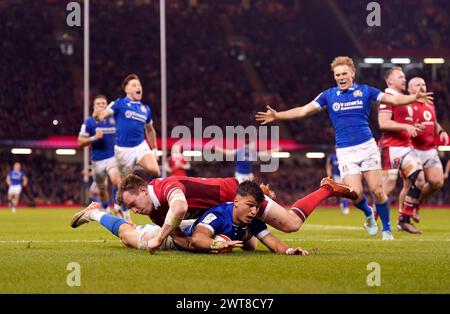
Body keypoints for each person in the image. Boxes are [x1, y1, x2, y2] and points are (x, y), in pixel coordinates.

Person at [256, 56, 433, 240]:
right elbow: (303, 110)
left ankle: (387, 229)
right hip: (345, 151)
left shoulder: (366, 91)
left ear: (352, 73)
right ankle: (368, 213)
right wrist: (278, 115)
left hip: (367, 147)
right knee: (354, 193)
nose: (340, 77)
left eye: (344, 73)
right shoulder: (328, 95)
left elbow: (393, 101)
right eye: (337, 74)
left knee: (377, 190)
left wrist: (414, 97)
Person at [71, 174, 356, 252]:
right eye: (131, 208)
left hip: (236, 198)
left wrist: (159, 240)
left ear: (145, 190)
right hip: (221, 213)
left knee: (292, 224)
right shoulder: (153, 212)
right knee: (250, 245)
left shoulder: (165, 187)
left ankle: (327, 189)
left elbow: (180, 206)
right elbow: (184, 232)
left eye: (135, 204)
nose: (135, 210)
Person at [378, 69, 426, 234]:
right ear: (390, 81)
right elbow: (383, 123)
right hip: (390, 147)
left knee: (420, 180)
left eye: (405, 76)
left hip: (406, 147)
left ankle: (404, 220)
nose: (404, 79)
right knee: (388, 186)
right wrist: (405, 126)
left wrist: (414, 127)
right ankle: (372, 216)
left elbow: (403, 123)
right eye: (400, 77)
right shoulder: (387, 97)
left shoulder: (405, 100)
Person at [397, 77, 449, 230]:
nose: (422, 86)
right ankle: (402, 217)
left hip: (429, 149)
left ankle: (415, 203)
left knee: (437, 182)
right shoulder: (406, 104)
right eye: (417, 84)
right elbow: (400, 123)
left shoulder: (429, 103)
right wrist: (411, 126)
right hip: (411, 149)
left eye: (424, 84)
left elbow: (433, 122)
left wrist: (441, 131)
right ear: (410, 90)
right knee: (408, 185)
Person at [93, 74, 160, 178]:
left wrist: (154, 148)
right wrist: (96, 115)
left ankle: (152, 192)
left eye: (139, 85)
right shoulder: (119, 103)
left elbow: (150, 129)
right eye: (134, 85)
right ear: (126, 89)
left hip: (140, 146)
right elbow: (101, 117)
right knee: (123, 184)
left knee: (154, 170)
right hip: (123, 150)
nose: (138, 87)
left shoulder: (145, 109)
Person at [78, 95, 127, 219]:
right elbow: (80, 142)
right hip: (97, 160)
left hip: (113, 157)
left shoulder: (114, 119)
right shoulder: (89, 122)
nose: (101, 106)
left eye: (103, 104)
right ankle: (106, 210)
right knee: (102, 189)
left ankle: (119, 207)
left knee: (117, 181)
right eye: (98, 104)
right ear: (93, 106)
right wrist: (94, 137)